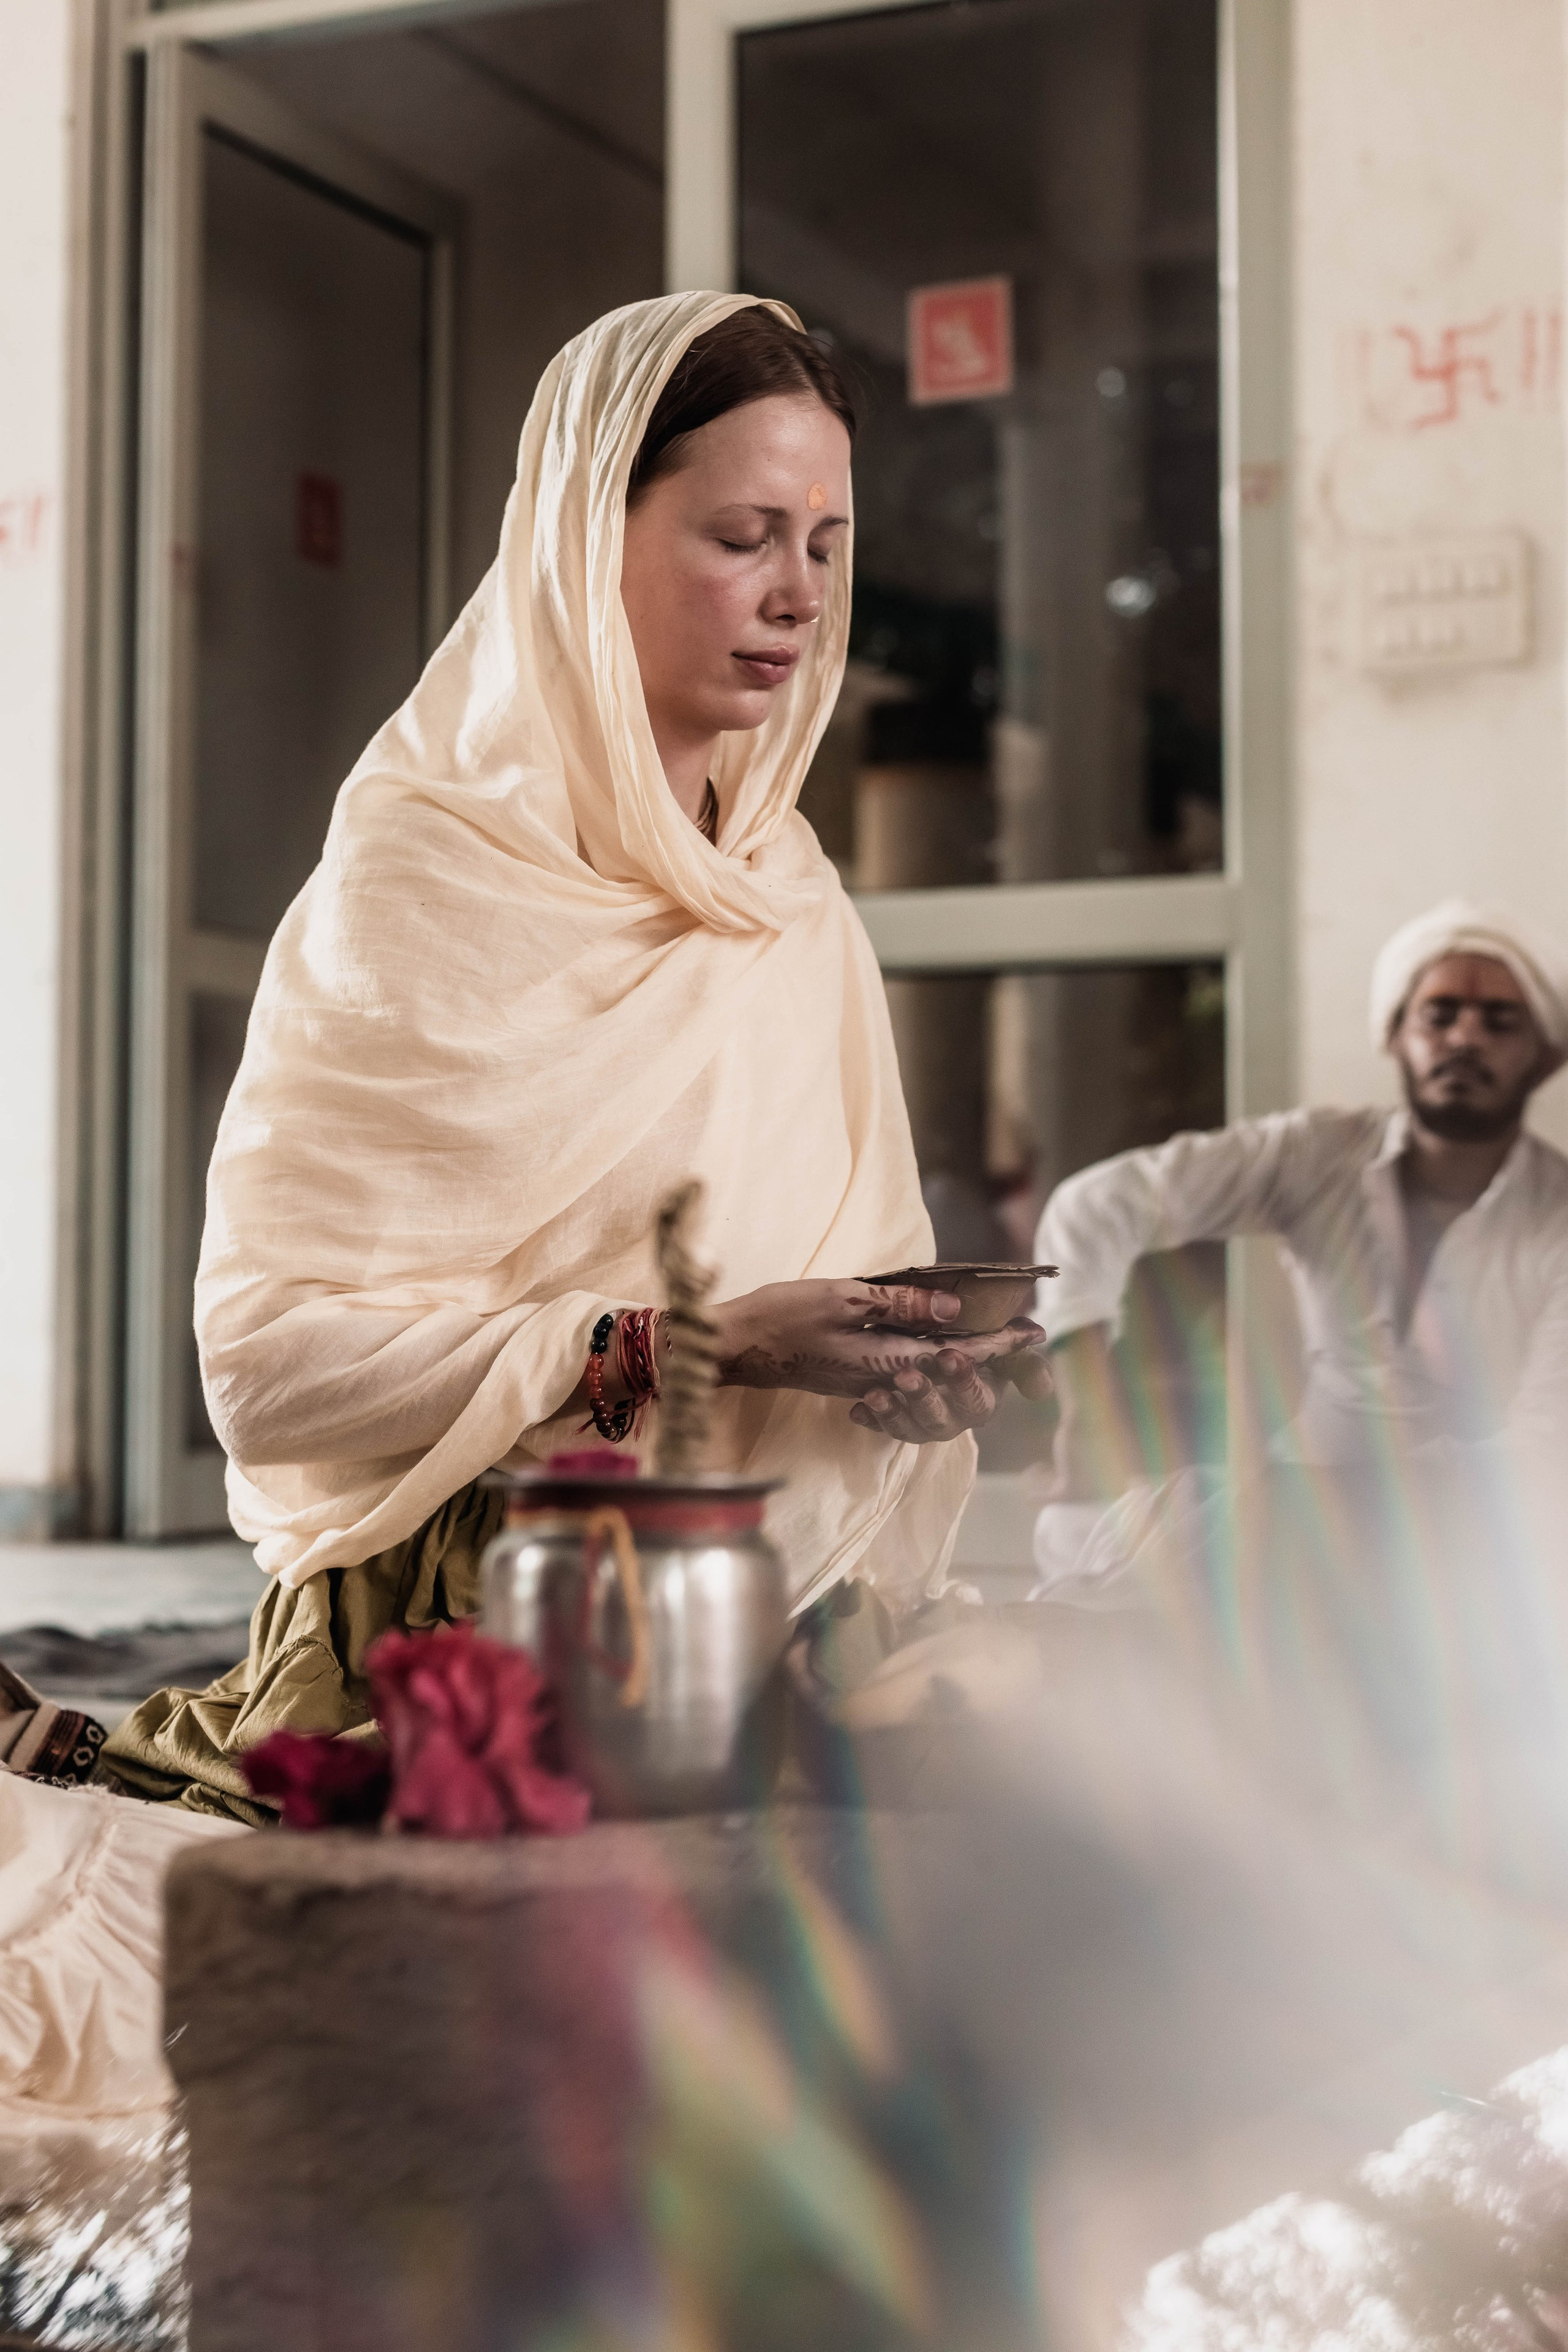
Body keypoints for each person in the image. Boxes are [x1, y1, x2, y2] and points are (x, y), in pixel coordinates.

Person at [51, 291, 1044, 1825]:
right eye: (742, 536)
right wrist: (684, 1346)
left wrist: (900, 1381)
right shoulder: (422, 881)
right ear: (588, 534)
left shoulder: (786, 893)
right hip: (491, 1603)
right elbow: (266, 1363)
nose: (797, 595)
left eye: (824, 545)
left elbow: (854, 1271)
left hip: (767, 1586)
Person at [1036, 901, 1568, 1504]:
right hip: (1285, 1522)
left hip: (1477, 1533)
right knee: (1092, 1536)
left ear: (1545, 1056)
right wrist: (1088, 1418)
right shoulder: (1316, 1155)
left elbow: (1544, 1452)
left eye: (1499, 1022)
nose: (1465, 1038)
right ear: (1394, 1034)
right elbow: (1095, 1207)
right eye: (1438, 1015)